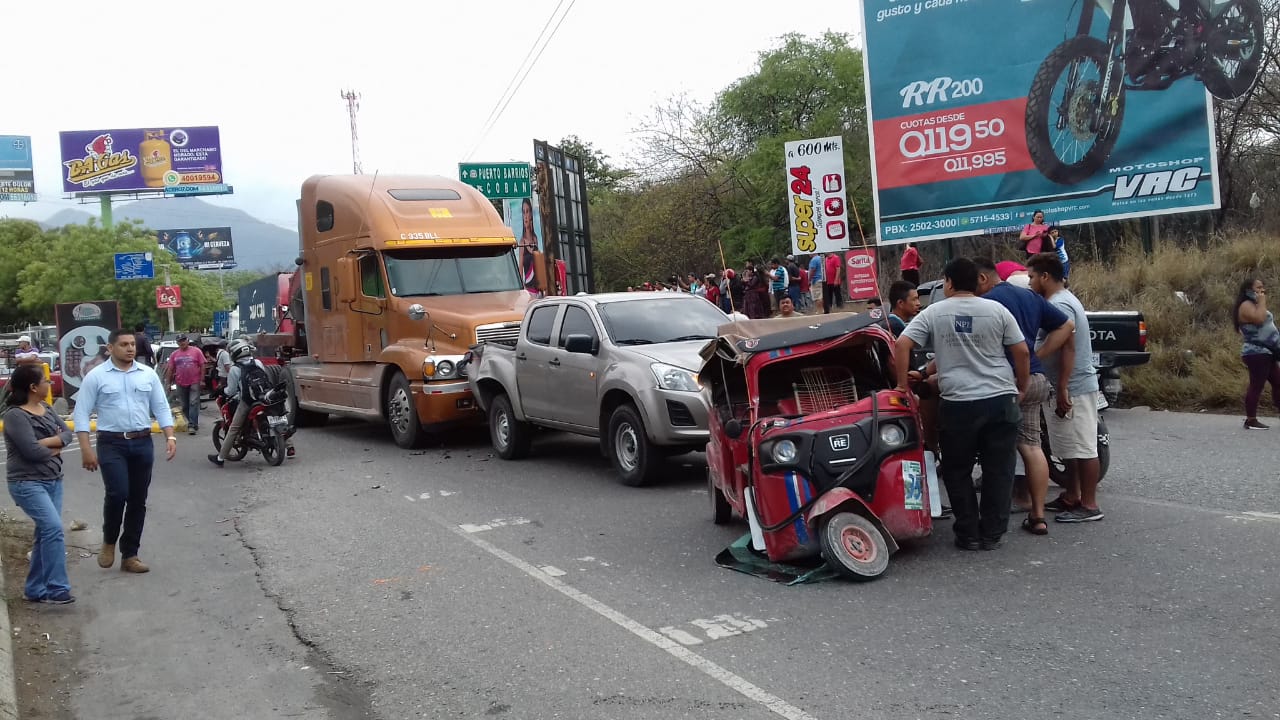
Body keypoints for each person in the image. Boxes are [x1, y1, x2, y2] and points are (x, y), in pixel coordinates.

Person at [894, 258, 1029, 551]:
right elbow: (1021, 350)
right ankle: (992, 533)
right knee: (999, 469)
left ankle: (968, 533)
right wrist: (1021, 386)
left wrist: (902, 386)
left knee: (957, 469)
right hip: (1000, 399)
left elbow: (902, 344)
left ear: (950, 283)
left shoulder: (935, 312)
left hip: (959, 404)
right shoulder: (997, 310)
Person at [975, 257, 1075, 535]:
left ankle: (992, 516)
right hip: (1035, 380)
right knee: (1032, 446)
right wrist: (1037, 355)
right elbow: (1066, 326)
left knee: (994, 448)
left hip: (1004, 384)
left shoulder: (987, 303)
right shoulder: (1028, 296)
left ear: (983, 279)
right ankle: (1038, 515)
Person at [74, 329, 178, 574]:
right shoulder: (96, 377)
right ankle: (109, 540)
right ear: (110, 348)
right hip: (112, 444)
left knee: (138, 500)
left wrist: (170, 435)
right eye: (123, 344)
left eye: (132, 344)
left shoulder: (147, 374)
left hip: (142, 443)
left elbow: (161, 406)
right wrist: (86, 449)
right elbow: (81, 414)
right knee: (118, 493)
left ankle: (130, 554)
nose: (130, 348)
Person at [1027, 253, 1103, 523]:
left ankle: (1090, 504)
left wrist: (1062, 387)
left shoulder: (1061, 304)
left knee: (1084, 447)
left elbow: (1068, 346)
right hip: (1062, 385)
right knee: (1069, 447)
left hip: (1074, 386)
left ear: (1045, 277)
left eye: (1032, 277)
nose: (1030, 282)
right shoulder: (1056, 301)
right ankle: (1072, 495)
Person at [5, 365, 75, 604]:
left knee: (45, 533)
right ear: (33, 387)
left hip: (53, 480)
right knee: (54, 529)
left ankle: (34, 589)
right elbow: (31, 451)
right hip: (26, 483)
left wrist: (50, 442)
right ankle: (57, 588)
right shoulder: (15, 415)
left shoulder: (45, 407)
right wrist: (54, 447)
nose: (49, 384)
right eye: (45, 381)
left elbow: (67, 434)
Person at [208, 340, 270, 467]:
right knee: (273, 416)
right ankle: (289, 445)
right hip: (264, 396)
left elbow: (230, 391)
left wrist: (221, 391)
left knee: (234, 428)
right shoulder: (257, 362)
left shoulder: (235, 369)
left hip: (247, 401)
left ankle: (220, 458)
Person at [1234, 278, 1280, 430]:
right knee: (1256, 385)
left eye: (1263, 288)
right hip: (1257, 353)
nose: (1262, 291)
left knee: (1278, 382)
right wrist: (1262, 301)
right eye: (1258, 288)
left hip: (1267, 352)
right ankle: (1251, 420)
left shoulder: (1254, 304)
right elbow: (1260, 319)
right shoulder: (1246, 305)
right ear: (1248, 290)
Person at [165, 334, 206, 435]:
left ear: (188, 340)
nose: (182, 342)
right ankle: (193, 422)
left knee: (193, 402)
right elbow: (170, 369)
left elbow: (202, 365)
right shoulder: (174, 354)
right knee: (184, 405)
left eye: (184, 340)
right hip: (180, 382)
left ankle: (191, 425)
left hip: (194, 381)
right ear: (177, 343)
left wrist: (202, 380)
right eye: (180, 341)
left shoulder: (196, 351)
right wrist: (168, 383)